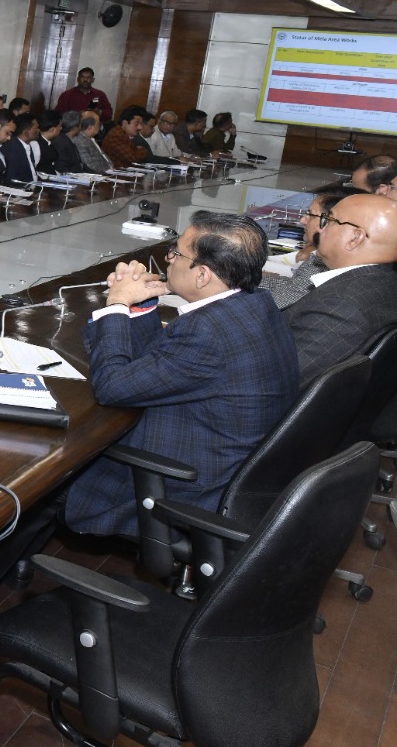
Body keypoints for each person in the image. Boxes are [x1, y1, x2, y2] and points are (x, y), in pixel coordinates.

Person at [63, 212, 299, 538]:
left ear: (202, 275)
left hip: (183, 489)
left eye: (176, 252)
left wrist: (116, 303)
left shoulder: (208, 333)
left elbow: (111, 387)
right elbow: (158, 362)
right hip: (227, 468)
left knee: (43, 485)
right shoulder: (255, 304)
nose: (168, 258)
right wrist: (141, 303)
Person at [285, 192, 397, 386]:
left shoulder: (339, 307)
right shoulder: (384, 283)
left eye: (329, 220)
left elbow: (274, 379)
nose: (321, 228)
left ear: (355, 238)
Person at [260, 184, 360, 308]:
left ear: (329, 221)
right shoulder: (336, 258)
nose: (302, 220)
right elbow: (294, 286)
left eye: (310, 214)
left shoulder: (329, 261)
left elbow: (279, 303)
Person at [35, 110, 64, 174]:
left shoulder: (47, 141)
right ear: (52, 130)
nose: (61, 128)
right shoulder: (37, 145)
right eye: (60, 126)